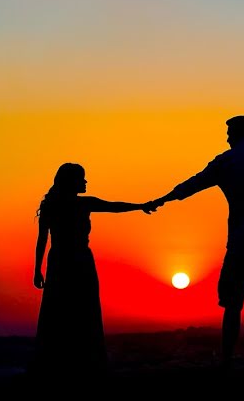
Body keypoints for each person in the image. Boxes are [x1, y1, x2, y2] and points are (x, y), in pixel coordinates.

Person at [151, 115, 244, 368]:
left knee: (232, 304)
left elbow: (192, 184)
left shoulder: (226, 162)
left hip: (241, 242)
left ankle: (226, 359)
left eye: (229, 132)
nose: (226, 137)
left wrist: (162, 199)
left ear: (238, 134)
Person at [32, 162, 158, 380]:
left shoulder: (72, 204)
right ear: (71, 181)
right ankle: (73, 363)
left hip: (68, 261)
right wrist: (37, 269)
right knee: (73, 308)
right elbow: (42, 239)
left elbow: (114, 206)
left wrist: (140, 206)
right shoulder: (67, 205)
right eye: (82, 179)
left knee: (72, 308)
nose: (85, 182)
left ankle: (72, 363)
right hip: (72, 261)